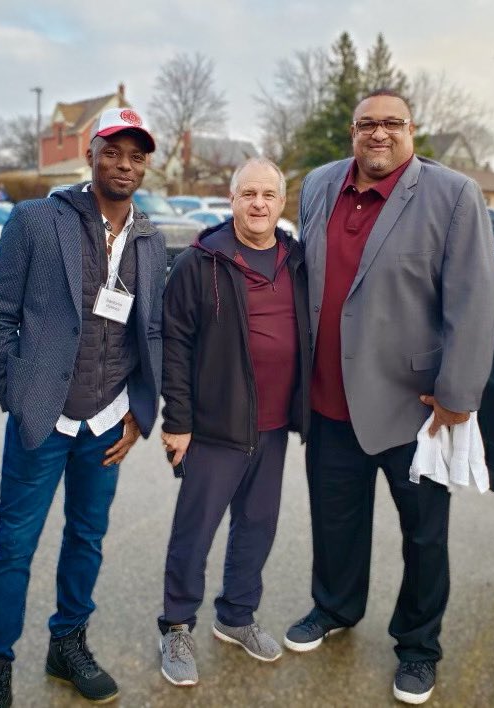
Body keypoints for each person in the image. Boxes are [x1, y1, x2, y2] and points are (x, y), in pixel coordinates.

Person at [284, 89, 494, 705]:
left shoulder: (452, 195)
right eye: (366, 124)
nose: (378, 134)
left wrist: (459, 396)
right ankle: (334, 608)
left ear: (412, 130)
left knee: (424, 539)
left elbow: (473, 301)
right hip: (329, 406)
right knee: (335, 524)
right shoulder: (322, 183)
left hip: (416, 410)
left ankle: (418, 646)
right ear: (353, 131)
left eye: (391, 124)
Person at [0, 107, 166, 707]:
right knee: (14, 547)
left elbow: (151, 331)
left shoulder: (152, 240)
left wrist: (141, 410)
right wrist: (18, 391)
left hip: (107, 422)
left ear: (145, 164)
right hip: (43, 420)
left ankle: (67, 644)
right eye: (113, 151)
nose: (124, 164)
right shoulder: (35, 220)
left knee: (87, 538)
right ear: (92, 153)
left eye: (136, 155)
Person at [158, 157, 311, 686]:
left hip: (273, 428)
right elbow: (173, 343)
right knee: (194, 532)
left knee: (257, 525)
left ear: (281, 202)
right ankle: (177, 625)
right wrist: (176, 420)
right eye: (249, 194)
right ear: (233, 200)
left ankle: (236, 616)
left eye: (269, 194)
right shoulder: (201, 263)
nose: (259, 204)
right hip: (214, 427)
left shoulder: (296, 260)